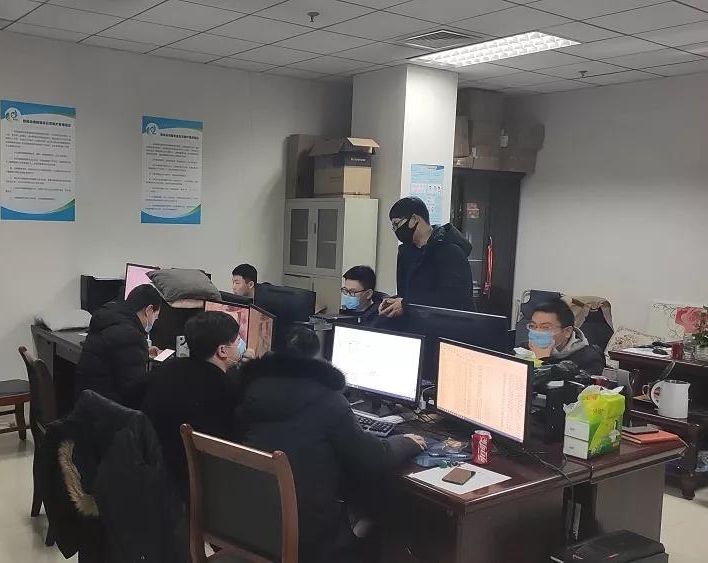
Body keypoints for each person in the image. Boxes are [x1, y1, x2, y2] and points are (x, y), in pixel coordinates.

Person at [237, 327, 426, 562]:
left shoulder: (252, 392)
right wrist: (405, 442)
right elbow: (373, 457)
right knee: (382, 506)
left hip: (254, 521)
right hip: (307, 534)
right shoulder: (329, 401)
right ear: (319, 360)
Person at [140, 311, 244, 496]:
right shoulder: (226, 390)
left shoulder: (168, 369)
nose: (241, 345)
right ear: (222, 351)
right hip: (193, 484)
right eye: (237, 341)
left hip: (153, 470)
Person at [379, 196, 474, 319]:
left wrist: (406, 304)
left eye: (397, 224)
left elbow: (454, 298)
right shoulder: (406, 253)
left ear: (414, 219)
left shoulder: (450, 251)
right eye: (394, 227)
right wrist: (393, 302)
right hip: (414, 324)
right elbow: (408, 295)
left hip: (445, 326)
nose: (396, 231)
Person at [75, 283, 163, 407]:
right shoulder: (131, 336)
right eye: (156, 316)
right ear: (149, 310)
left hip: (87, 402)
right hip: (107, 409)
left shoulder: (109, 318)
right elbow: (134, 390)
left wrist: (143, 352)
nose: (154, 321)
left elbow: (116, 354)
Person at [528, 299, 606, 374]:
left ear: (567, 331)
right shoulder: (527, 348)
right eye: (532, 326)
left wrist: (541, 360)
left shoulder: (590, 360)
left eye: (545, 328)